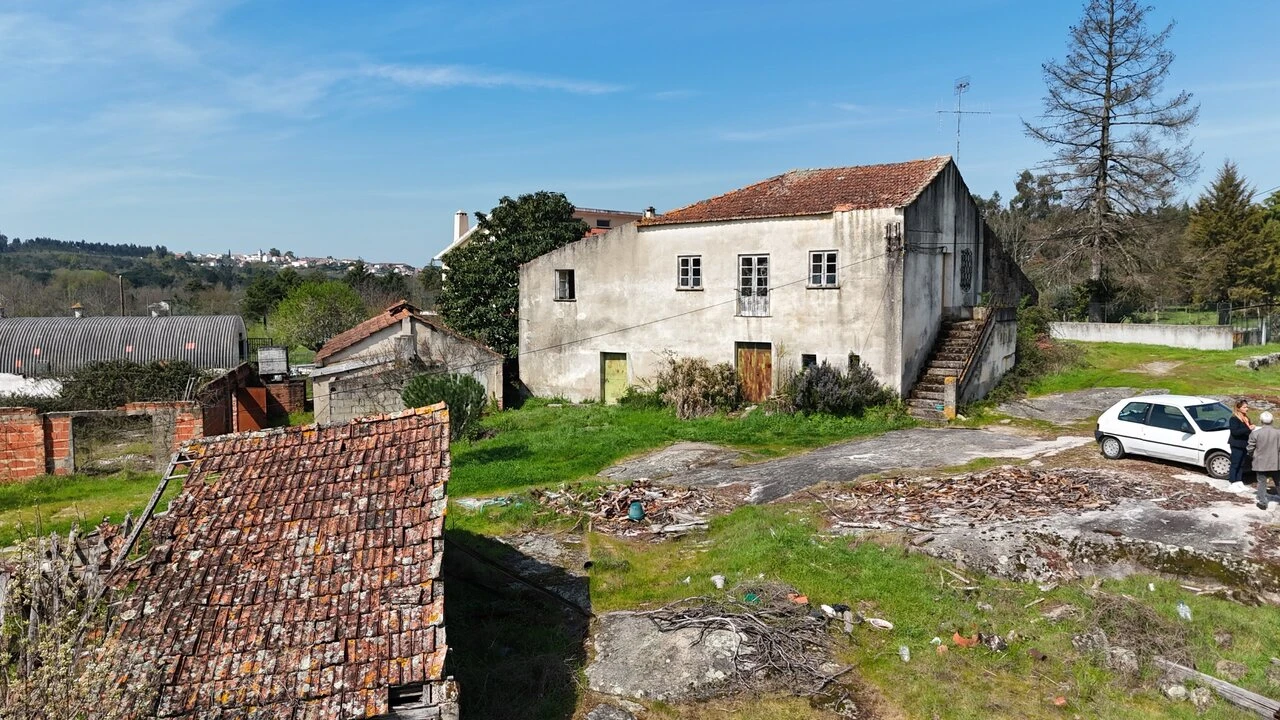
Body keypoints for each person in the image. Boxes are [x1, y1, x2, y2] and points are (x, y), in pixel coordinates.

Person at [1247, 411, 1280, 510]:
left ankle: (1262, 502)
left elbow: (1250, 448)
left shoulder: (1255, 433)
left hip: (1260, 462)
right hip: (1276, 462)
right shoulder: (1278, 433)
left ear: (1261, 421)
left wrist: (1253, 456)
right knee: (1278, 482)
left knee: (1262, 482)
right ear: (1272, 421)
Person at [1228, 399, 1254, 483]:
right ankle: (1232, 481)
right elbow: (1235, 432)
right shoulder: (1234, 419)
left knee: (1242, 464)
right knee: (1235, 463)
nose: (1247, 409)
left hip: (1244, 444)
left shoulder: (1246, 418)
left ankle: (1239, 480)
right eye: (1244, 407)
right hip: (1236, 444)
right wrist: (1248, 428)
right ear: (1239, 408)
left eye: (1247, 407)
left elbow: (1247, 432)